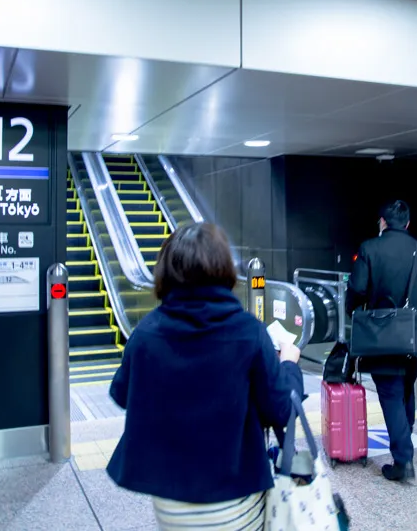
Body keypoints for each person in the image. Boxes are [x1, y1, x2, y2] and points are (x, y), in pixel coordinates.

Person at [106, 222, 304, 529]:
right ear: (223, 268)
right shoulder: (248, 332)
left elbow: (121, 395)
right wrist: (289, 364)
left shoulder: (144, 334)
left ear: (166, 272)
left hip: (169, 502)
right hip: (234, 497)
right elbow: (281, 409)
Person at [346, 200, 417, 482]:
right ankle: (405, 435)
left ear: (382, 222)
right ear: (407, 224)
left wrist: (353, 312)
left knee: (391, 394)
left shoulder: (370, 248)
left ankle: (403, 460)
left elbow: (357, 290)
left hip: (383, 335)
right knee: (405, 389)